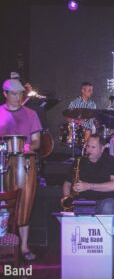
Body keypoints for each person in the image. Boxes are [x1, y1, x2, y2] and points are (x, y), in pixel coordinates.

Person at [0, 78, 42, 261]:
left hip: (25, 164)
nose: (18, 97)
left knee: (24, 205)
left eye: (20, 94)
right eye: (14, 94)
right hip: (2, 162)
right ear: (5, 94)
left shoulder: (31, 114)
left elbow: (37, 142)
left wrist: (28, 147)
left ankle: (24, 247)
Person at [62, 134, 114, 215]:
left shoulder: (113, 161)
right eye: (88, 146)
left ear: (102, 148)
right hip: (84, 200)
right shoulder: (79, 161)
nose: (89, 150)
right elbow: (67, 184)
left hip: (105, 200)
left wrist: (88, 186)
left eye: (93, 147)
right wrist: (67, 199)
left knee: (108, 206)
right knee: (80, 207)